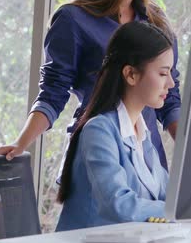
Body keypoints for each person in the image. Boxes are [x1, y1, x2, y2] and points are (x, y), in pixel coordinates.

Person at [0, 0, 181, 170]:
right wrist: (21, 143)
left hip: (146, 165)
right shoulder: (73, 19)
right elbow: (53, 92)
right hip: (94, 158)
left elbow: (169, 100)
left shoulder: (158, 23)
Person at [56, 21, 174, 231]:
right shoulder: (99, 131)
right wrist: (178, 211)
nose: (171, 84)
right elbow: (120, 205)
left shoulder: (141, 134)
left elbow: (168, 195)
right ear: (131, 74)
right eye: (163, 74)